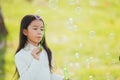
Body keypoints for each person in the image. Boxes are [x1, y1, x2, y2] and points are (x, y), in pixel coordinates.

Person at [14, 14, 64, 80]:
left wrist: (63, 79)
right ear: (25, 32)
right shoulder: (20, 55)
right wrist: (36, 59)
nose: (39, 32)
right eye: (35, 29)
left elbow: (48, 76)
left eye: (42, 29)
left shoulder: (48, 52)